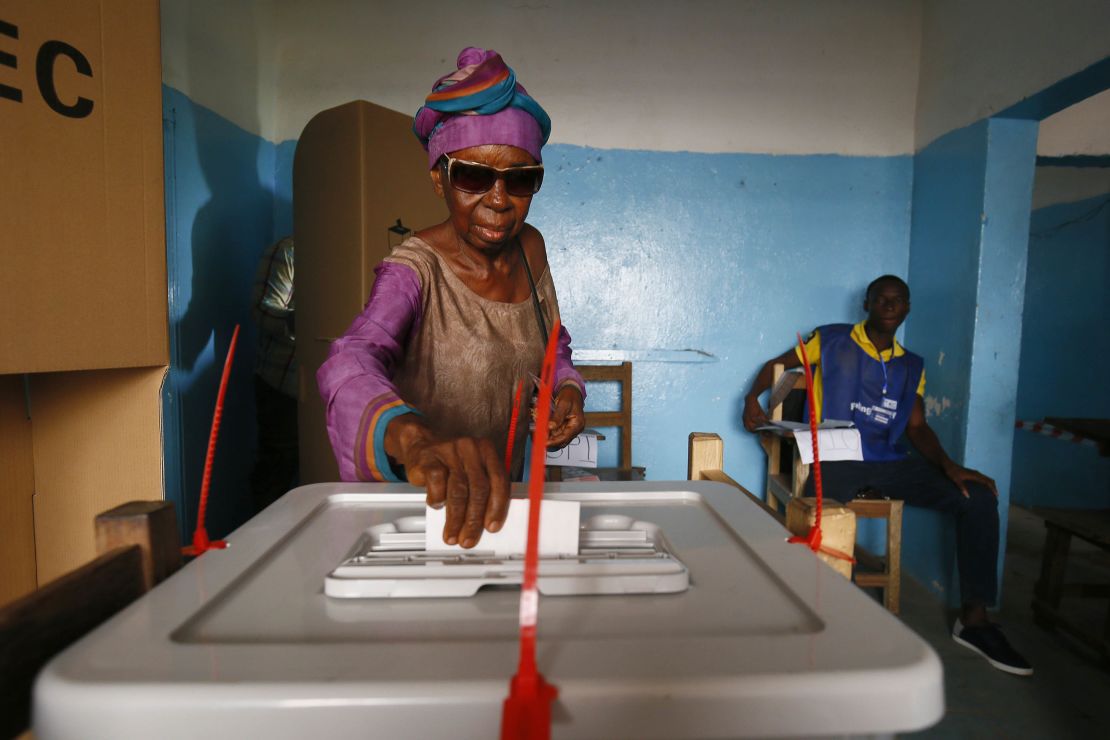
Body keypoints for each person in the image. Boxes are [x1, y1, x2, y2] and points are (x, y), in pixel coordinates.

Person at [317, 47, 585, 550]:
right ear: (439, 177)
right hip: (423, 507)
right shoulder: (413, 269)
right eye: (473, 176)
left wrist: (566, 387)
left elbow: (553, 339)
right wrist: (416, 439)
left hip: (503, 494)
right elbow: (350, 361)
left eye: (521, 180)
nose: (500, 200)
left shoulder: (532, 249)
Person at [742, 275, 1032, 676]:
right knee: (819, 517)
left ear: (907, 309)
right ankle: (807, 613)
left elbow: (916, 427)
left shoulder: (912, 365)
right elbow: (777, 366)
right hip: (837, 456)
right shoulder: (831, 339)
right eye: (882, 298)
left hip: (891, 461)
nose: (890, 304)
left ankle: (975, 621)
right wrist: (750, 398)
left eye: (899, 300)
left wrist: (950, 467)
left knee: (977, 498)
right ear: (868, 303)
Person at [250, 235, 299, 512]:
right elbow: (261, 310)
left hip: (333, 387)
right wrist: (306, 318)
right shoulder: (288, 251)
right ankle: (261, 547)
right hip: (283, 385)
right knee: (275, 476)